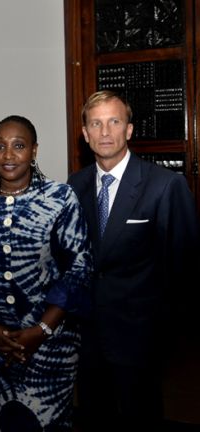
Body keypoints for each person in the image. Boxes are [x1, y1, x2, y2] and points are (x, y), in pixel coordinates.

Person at [67, 91, 199, 431]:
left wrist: (165, 336)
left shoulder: (165, 185)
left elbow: (183, 267)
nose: (105, 131)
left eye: (114, 121)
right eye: (96, 123)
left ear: (129, 130)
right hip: (88, 338)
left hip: (140, 340)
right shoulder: (75, 186)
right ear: (85, 134)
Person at [0, 115, 92, 431]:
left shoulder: (60, 198)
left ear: (34, 151)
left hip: (51, 346)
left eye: (18, 146)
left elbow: (79, 267)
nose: (8, 155)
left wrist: (41, 330)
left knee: (47, 425)